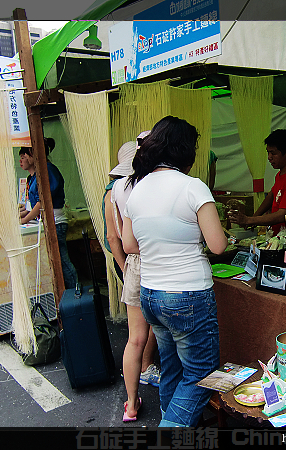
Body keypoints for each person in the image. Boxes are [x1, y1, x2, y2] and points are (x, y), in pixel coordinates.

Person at [122, 116, 227, 427]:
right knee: (202, 373)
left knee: (172, 367)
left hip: (151, 295)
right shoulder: (193, 187)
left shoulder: (138, 188)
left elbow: (129, 243)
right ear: (185, 150)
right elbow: (218, 245)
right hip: (188, 294)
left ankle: (174, 422)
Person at [102, 137, 160, 422]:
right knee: (168, 335)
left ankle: (131, 404)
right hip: (160, 261)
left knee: (135, 339)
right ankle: (174, 401)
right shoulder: (152, 185)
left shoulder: (116, 190)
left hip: (135, 264)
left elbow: (117, 237)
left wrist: (126, 268)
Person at [227, 129, 286, 240]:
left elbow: (283, 214)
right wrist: (253, 218)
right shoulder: (281, 174)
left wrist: (249, 220)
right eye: (268, 152)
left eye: (273, 153)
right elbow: (271, 196)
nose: (269, 157)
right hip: (281, 236)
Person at [19, 138, 78, 290]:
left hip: (55, 221)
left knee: (62, 261)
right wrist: (22, 215)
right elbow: (32, 204)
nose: (21, 159)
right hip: (46, 221)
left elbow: (42, 202)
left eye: (24, 155)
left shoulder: (48, 170)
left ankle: (75, 293)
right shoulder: (33, 177)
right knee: (56, 262)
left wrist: (24, 219)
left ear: (33, 155)